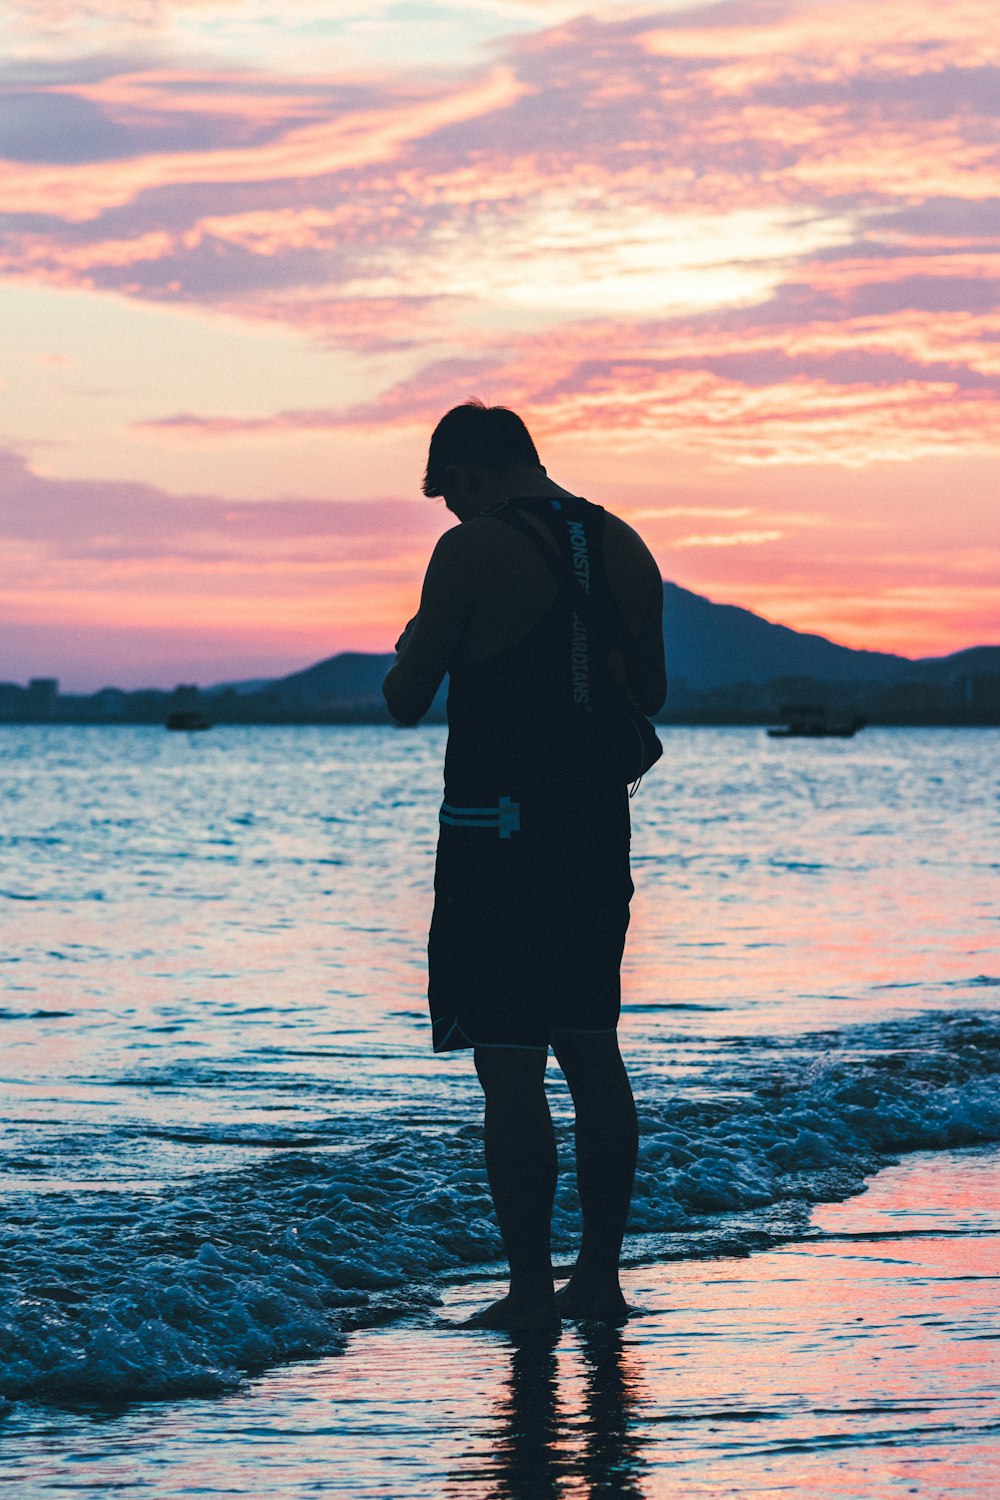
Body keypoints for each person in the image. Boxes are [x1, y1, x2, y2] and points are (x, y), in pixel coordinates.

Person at [383, 402, 667, 1332]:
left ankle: (529, 1294)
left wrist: (421, 638)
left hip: (496, 838)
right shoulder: (623, 542)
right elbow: (651, 691)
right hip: (594, 835)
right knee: (592, 1048)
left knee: (509, 1068)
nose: (451, 514)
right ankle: (601, 1280)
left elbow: (406, 696)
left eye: (449, 494)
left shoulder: (472, 551)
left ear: (469, 473)